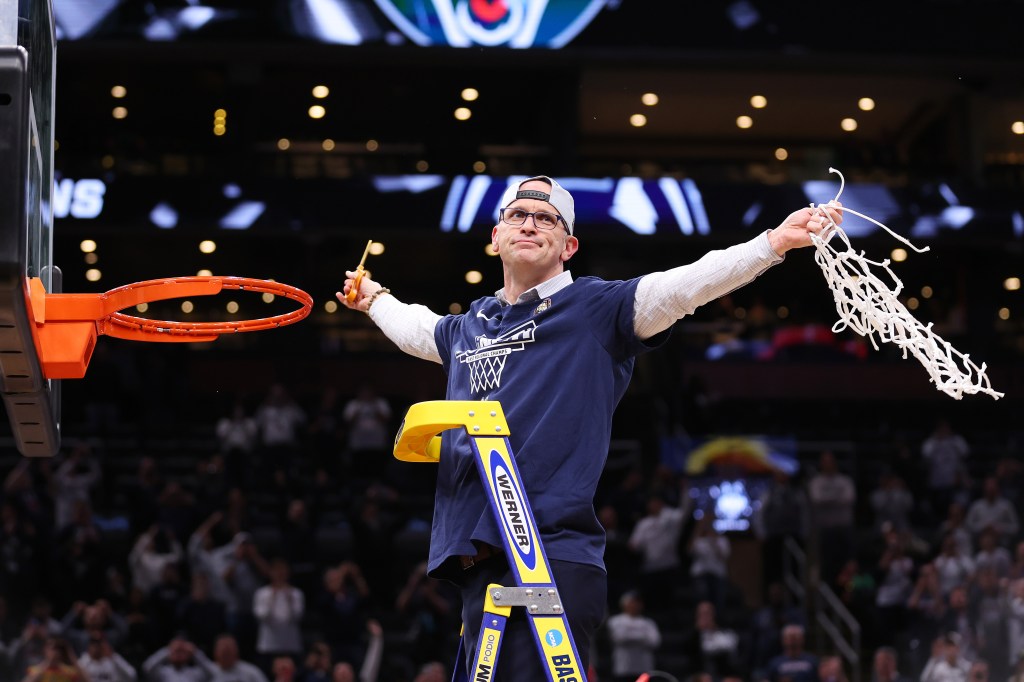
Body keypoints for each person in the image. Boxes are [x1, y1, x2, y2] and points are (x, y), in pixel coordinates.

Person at [338, 174, 842, 679]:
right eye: (517, 216)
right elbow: (416, 329)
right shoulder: (470, 324)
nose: (530, 225)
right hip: (482, 568)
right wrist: (374, 298)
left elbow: (686, 285)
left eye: (546, 219)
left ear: (569, 246)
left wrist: (772, 243)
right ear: (495, 238)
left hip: (548, 557)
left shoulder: (597, 309)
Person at [605, 591, 661, 682]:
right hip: (623, 668)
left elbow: (654, 641)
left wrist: (630, 636)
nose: (635, 605)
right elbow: (619, 638)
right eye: (632, 602)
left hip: (644, 669)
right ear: (624, 604)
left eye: (637, 603)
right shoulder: (615, 621)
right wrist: (642, 637)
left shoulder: (649, 623)